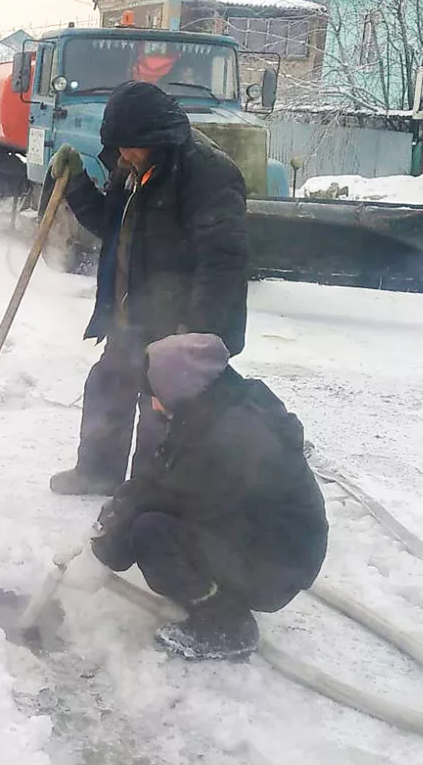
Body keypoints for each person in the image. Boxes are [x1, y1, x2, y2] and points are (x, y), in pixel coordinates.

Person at [48, 80, 250, 497]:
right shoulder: (134, 167)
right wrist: (77, 185)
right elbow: (112, 224)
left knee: (162, 410)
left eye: (130, 146)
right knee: (108, 385)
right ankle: (98, 473)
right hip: (134, 313)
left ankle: (149, 492)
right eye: (118, 146)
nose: (122, 155)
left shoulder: (209, 175)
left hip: (180, 322)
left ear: (157, 138)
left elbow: (222, 264)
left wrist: (193, 336)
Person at [88, 333, 328, 661]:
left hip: (277, 562)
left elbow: (171, 497)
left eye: (155, 393)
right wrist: (121, 503)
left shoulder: (227, 437)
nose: (154, 404)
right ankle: (221, 598)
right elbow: (162, 472)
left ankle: (228, 625)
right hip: (270, 543)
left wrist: (110, 542)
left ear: (179, 384)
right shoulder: (214, 406)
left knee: (152, 534)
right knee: (144, 520)